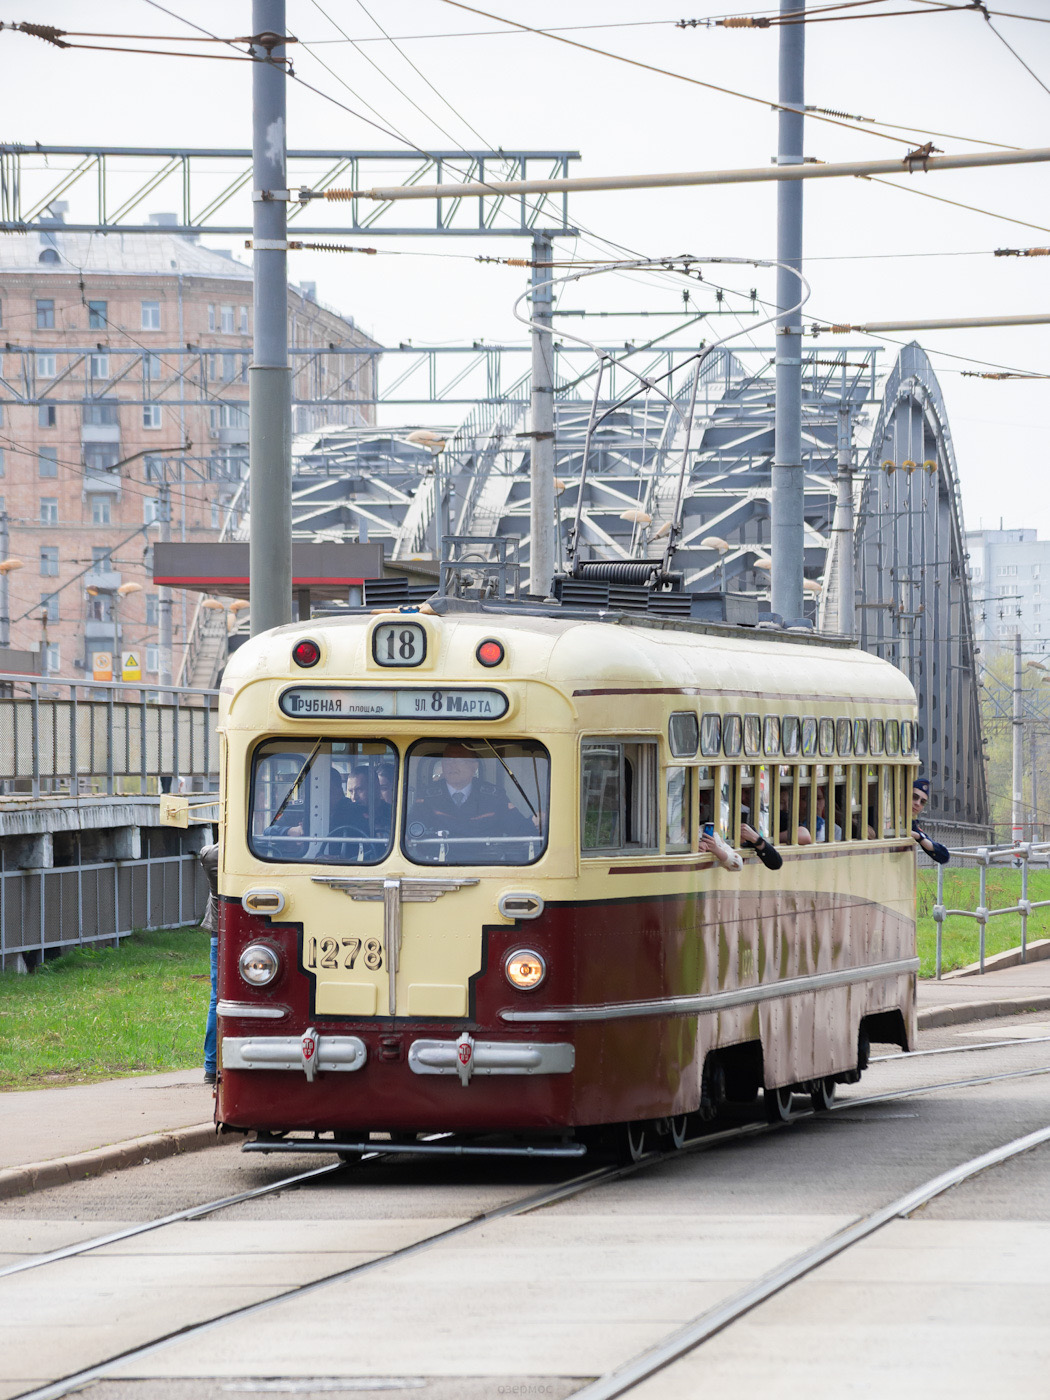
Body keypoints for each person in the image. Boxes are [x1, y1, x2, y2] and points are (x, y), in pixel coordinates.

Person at [409, 743, 533, 853]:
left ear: (474, 767)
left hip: (484, 863)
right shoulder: (426, 795)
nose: (452, 765)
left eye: (460, 760)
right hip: (436, 863)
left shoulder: (494, 796)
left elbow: (517, 830)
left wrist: (535, 822)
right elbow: (412, 829)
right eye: (447, 760)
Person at [199, 841, 219, 1087]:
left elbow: (209, 848)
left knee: (217, 998)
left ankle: (211, 1066)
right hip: (247, 933)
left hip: (218, 935)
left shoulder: (210, 856)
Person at [912, 777, 950, 864]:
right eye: (914, 797)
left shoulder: (912, 825)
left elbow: (944, 855)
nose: (917, 803)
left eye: (922, 802)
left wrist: (919, 837)